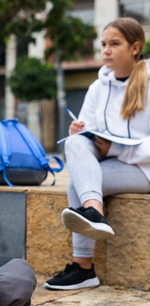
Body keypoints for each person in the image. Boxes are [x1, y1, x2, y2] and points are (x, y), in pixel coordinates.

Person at [45, 17, 150, 290]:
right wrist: (80, 131)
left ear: (135, 47)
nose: (106, 50)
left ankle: (83, 268)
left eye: (115, 44)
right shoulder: (97, 86)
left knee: (78, 181)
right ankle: (94, 211)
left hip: (143, 169)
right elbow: (88, 136)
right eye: (103, 44)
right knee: (74, 143)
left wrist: (115, 149)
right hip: (109, 164)